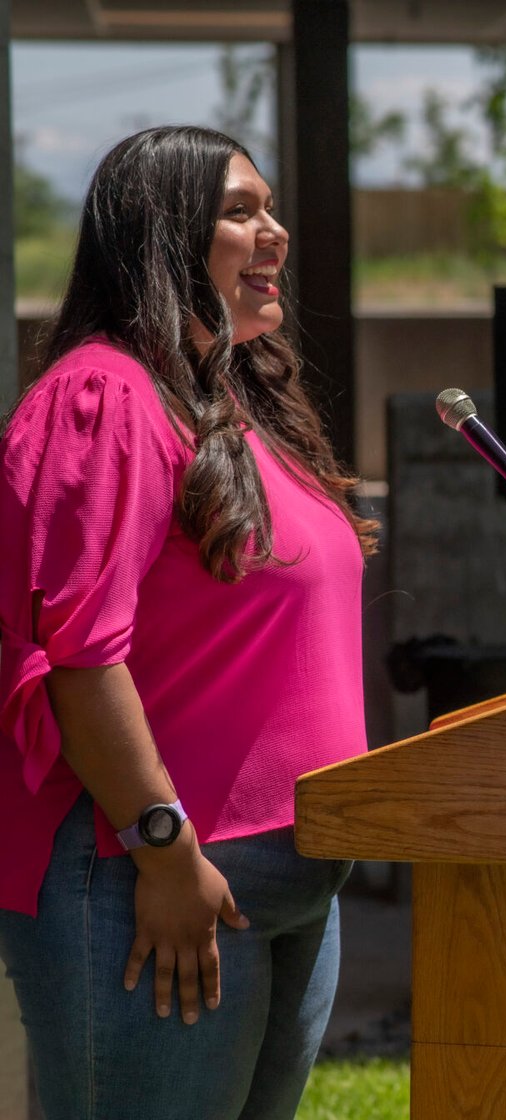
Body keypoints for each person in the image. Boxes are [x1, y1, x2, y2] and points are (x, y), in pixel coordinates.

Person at [0, 125, 377, 1118]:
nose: (276, 232)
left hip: (292, 869)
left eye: (271, 207)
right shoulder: (103, 396)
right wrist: (164, 848)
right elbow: (79, 658)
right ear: (162, 236)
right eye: (241, 211)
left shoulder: (237, 403)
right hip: (157, 876)